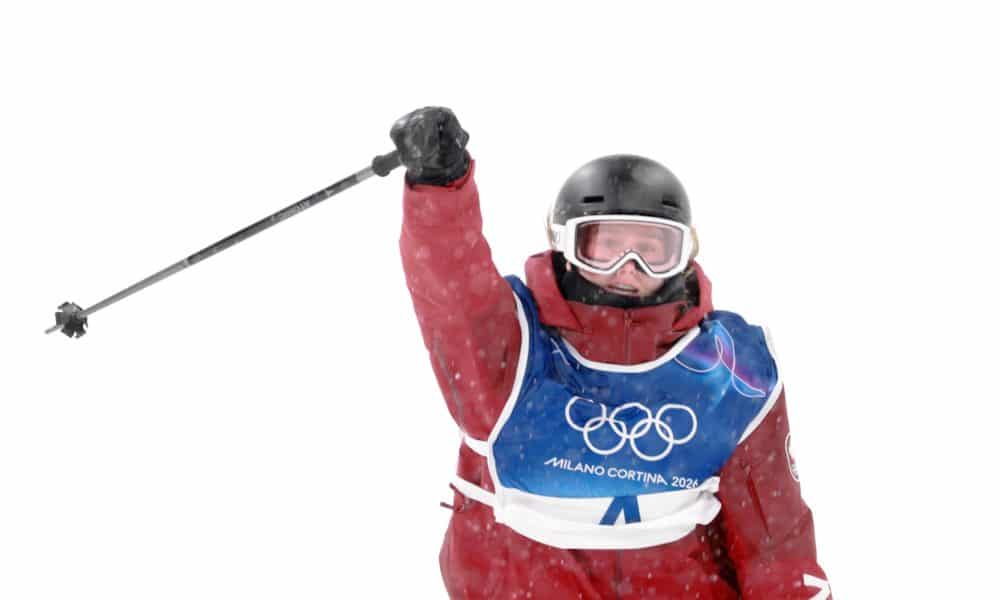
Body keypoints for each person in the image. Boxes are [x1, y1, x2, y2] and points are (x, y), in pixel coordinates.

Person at [392, 106, 831, 599]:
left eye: (653, 249)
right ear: (564, 244)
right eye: (605, 246)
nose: (629, 267)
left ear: (684, 255)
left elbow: (777, 545)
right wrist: (440, 186)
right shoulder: (513, 347)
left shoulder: (730, 376)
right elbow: (451, 288)